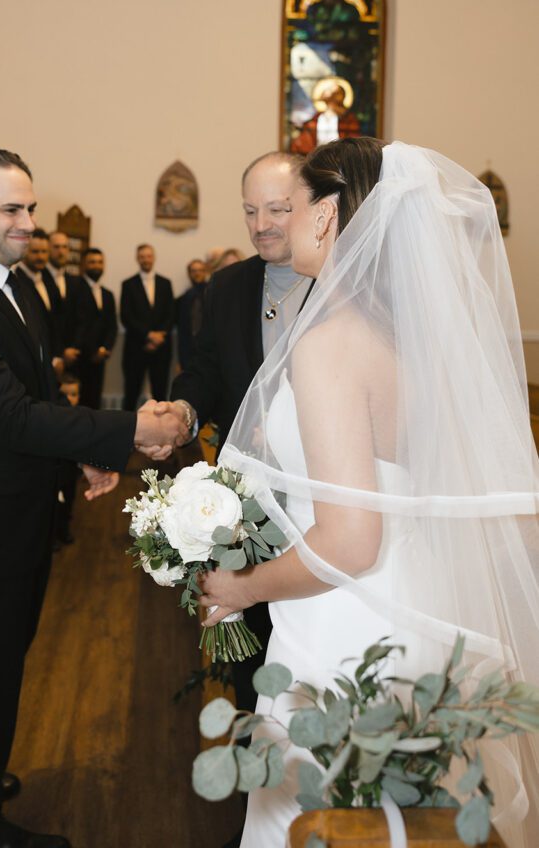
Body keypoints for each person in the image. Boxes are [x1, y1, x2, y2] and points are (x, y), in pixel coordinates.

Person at [199, 138, 539, 848]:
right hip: (422, 608)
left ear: (325, 216)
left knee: (327, 820)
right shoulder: (410, 338)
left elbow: (351, 540)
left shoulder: (331, 342)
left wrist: (242, 588)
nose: (280, 222)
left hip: (349, 625)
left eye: (292, 206)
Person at [0, 148, 186, 848]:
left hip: (17, 510)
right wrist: (129, 428)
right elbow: (11, 418)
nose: (30, 221)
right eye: (12, 210)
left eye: (29, 207)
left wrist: (87, 452)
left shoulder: (13, 285)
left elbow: (37, 394)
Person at [166, 152, 313, 719]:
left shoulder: (344, 281)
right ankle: (256, 750)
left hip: (321, 495)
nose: (260, 225)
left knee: (309, 638)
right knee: (252, 641)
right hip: (248, 498)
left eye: (278, 208)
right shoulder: (226, 286)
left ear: (315, 208)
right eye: (250, 210)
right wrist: (183, 408)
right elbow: (204, 368)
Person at [120, 244, 174, 410]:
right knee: (131, 394)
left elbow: (171, 314)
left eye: (148, 256)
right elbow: (126, 316)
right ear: (137, 259)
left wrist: (159, 336)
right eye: (142, 256)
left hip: (162, 348)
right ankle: (126, 431)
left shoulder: (166, 283)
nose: (146, 259)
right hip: (136, 347)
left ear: (154, 258)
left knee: (160, 394)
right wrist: (149, 335)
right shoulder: (128, 284)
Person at [76, 247, 118, 409]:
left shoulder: (108, 294)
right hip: (81, 357)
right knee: (80, 403)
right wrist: (93, 350)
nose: (96, 266)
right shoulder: (75, 289)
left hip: (100, 357)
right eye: (92, 262)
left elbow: (112, 325)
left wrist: (104, 348)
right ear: (84, 265)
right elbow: (79, 324)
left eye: (100, 262)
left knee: (95, 401)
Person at [16, 227, 64, 365]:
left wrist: (57, 356)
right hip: (32, 359)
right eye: (35, 252)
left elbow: (57, 320)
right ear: (24, 251)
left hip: (52, 357)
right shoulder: (17, 280)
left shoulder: (48, 277)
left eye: (44, 252)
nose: (41, 257)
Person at [46, 231, 85, 374]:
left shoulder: (75, 281)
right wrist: (60, 351)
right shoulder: (39, 280)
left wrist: (73, 348)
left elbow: (81, 318)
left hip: (73, 355)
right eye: (56, 247)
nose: (61, 251)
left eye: (64, 247)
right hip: (48, 355)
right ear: (48, 248)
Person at [290, 77, 361, 154]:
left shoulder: (348, 121)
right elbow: (303, 144)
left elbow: (353, 144)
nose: (324, 92)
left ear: (338, 95)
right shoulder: (314, 121)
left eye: (329, 90)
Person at [54, 371, 82, 547]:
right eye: (65, 395)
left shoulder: (79, 417)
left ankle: (64, 531)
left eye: (74, 394)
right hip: (57, 470)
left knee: (68, 503)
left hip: (71, 471)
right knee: (56, 504)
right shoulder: (54, 418)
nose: (70, 399)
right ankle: (53, 537)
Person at [175, 259, 207, 371]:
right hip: (188, 352)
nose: (197, 273)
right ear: (189, 274)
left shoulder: (214, 295)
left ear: (205, 272)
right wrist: (180, 359)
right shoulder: (183, 299)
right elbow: (181, 331)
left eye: (200, 270)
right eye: (194, 271)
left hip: (209, 350)